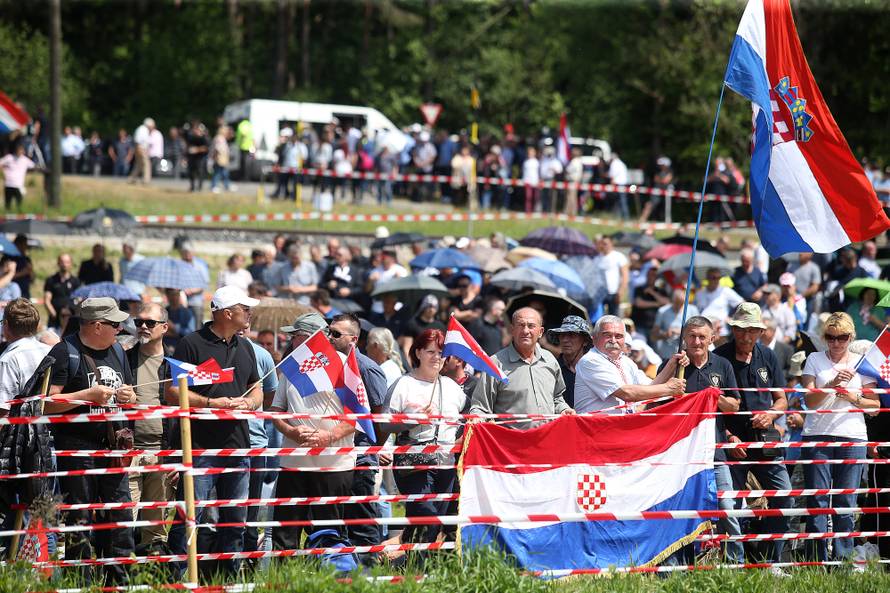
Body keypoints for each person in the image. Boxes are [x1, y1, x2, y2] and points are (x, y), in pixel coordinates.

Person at [165, 286, 262, 577]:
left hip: (237, 447)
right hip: (201, 448)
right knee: (189, 518)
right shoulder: (191, 343)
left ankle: (227, 577)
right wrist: (211, 403)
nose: (249, 313)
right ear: (227, 312)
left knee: (235, 520)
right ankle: (176, 577)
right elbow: (173, 392)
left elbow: (257, 387)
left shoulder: (245, 346)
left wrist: (249, 402)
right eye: (245, 308)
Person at [43, 298, 136, 584]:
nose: (120, 329)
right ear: (97, 326)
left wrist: (129, 397)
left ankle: (118, 582)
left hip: (113, 448)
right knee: (79, 520)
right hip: (76, 449)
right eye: (115, 324)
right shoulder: (64, 351)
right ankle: (79, 583)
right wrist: (85, 396)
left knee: (119, 520)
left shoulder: (118, 350)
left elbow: (130, 392)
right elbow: (46, 402)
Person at [657, 316, 743, 562]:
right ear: (684, 338)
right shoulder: (673, 363)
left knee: (727, 508)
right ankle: (680, 563)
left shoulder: (722, 365)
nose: (696, 341)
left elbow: (734, 407)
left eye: (702, 337)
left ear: (712, 339)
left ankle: (735, 562)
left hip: (714, 452)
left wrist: (713, 396)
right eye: (692, 336)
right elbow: (654, 402)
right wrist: (672, 376)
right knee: (682, 511)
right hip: (680, 454)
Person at [713, 302, 792, 565]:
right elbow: (710, 403)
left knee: (784, 497)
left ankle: (772, 561)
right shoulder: (719, 357)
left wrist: (771, 414)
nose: (747, 336)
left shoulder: (768, 356)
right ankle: (732, 562)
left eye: (753, 331)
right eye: (742, 330)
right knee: (730, 507)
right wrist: (726, 435)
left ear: (760, 331)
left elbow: (782, 399)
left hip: (765, 441)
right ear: (733, 329)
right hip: (731, 442)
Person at [269, 313, 356, 552]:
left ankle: (328, 581)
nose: (291, 342)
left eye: (294, 336)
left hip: (334, 464)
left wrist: (328, 437)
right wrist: (291, 431)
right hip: (294, 462)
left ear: (309, 338)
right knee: (285, 533)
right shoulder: (290, 367)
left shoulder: (344, 365)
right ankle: (283, 583)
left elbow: (357, 416)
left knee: (329, 533)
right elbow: (276, 410)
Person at [799, 312, 878, 562]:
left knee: (846, 500)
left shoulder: (862, 362)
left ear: (850, 337)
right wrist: (832, 384)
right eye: (831, 337)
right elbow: (808, 401)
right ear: (824, 338)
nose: (836, 343)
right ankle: (816, 560)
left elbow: (874, 406)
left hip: (852, 436)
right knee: (818, 499)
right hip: (817, 434)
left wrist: (852, 396)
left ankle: (844, 560)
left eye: (842, 337)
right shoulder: (813, 358)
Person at [383, 329, 466, 544]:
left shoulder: (453, 389)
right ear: (418, 352)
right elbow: (383, 423)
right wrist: (414, 419)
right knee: (427, 515)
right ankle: (418, 567)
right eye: (431, 351)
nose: (437, 357)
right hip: (412, 464)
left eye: (440, 352)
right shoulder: (403, 384)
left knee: (437, 519)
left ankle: (413, 564)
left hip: (446, 464)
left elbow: (463, 422)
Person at [470, 307, 574, 429]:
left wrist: (564, 409)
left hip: (547, 440)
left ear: (540, 332)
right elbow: (481, 407)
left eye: (531, 326)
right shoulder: (495, 363)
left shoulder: (550, 360)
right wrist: (476, 419)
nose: (525, 331)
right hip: (511, 444)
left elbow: (557, 398)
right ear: (512, 330)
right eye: (520, 325)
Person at [126, 303, 172, 553]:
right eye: (139, 322)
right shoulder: (124, 358)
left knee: (155, 526)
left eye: (150, 323)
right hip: (129, 450)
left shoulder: (175, 363)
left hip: (161, 452)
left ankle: (153, 576)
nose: (143, 326)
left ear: (164, 328)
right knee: (125, 518)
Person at [574, 315, 686, 413]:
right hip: (595, 431)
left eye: (618, 336)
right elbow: (626, 393)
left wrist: (672, 364)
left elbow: (650, 388)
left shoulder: (626, 362)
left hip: (620, 428)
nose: (613, 340)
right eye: (607, 335)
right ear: (594, 338)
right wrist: (668, 388)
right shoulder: (590, 361)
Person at [0, 299, 50, 415]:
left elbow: (4, 410)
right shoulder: (49, 350)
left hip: (19, 429)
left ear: (6, 325)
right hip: (46, 427)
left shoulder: (8, 360)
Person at [546, 316, 593, 409]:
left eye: (571, 335)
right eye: (562, 335)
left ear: (585, 341)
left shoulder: (594, 369)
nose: (565, 340)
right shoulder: (551, 368)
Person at [652, 289, 699, 361]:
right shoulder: (663, 311)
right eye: (677, 303)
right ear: (672, 301)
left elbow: (699, 330)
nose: (679, 306)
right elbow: (654, 335)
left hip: (687, 354)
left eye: (681, 303)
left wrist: (682, 332)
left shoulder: (692, 310)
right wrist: (665, 334)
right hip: (667, 354)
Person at [401, 295, 447, 362]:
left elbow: (443, 348)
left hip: (435, 362)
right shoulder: (412, 324)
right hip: (417, 363)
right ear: (423, 307)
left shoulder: (440, 326)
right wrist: (409, 366)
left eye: (434, 307)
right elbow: (407, 347)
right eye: (428, 306)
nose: (431, 309)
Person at [593, 235, 629, 316]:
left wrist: (620, 292)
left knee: (614, 317)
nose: (603, 246)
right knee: (599, 317)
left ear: (611, 244)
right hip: (599, 293)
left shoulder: (619, 257)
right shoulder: (597, 258)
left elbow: (625, 276)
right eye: (601, 243)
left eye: (605, 243)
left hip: (613, 293)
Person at [43, 253, 80, 328]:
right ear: (58, 263)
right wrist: (53, 313)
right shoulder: (51, 280)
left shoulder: (76, 281)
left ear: (71, 263)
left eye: (67, 262)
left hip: (71, 320)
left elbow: (79, 299)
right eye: (62, 262)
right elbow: (47, 300)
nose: (64, 264)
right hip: (54, 322)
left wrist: (75, 313)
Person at [179, 242, 210, 325]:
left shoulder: (200, 266)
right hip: (181, 301)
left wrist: (193, 291)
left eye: (188, 252)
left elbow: (205, 283)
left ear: (193, 253)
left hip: (196, 301)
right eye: (185, 252)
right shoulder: (178, 265)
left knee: (197, 325)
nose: (187, 255)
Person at [0, 143, 35, 211]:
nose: (19, 152)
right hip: (8, 184)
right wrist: (3, 171)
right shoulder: (9, 157)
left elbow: (34, 166)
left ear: (23, 151)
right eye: (18, 150)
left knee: (19, 205)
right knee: (8, 205)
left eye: (21, 150)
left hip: (18, 186)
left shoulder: (25, 160)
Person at [185, 120, 209, 192]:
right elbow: (188, 147)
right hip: (191, 157)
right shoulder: (191, 137)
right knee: (190, 172)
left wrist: (197, 149)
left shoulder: (203, 138)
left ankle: (200, 187)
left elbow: (206, 148)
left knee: (200, 171)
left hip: (200, 157)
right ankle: (192, 186)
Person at [129, 117, 154, 185]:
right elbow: (138, 140)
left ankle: (132, 179)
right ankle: (146, 181)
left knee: (139, 165)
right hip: (141, 148)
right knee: (147, 164)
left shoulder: (144, 129)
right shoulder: (142, 129)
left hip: (141, 149)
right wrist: (138, 149)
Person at [210, 125, 233, 194]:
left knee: (223, 172)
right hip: (219, 157)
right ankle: (214, 186)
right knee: (218, 172)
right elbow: (217, 149)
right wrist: (216, 157)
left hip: (222, 157)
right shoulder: (219, 138)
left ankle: (227, 185)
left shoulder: (222, 138)